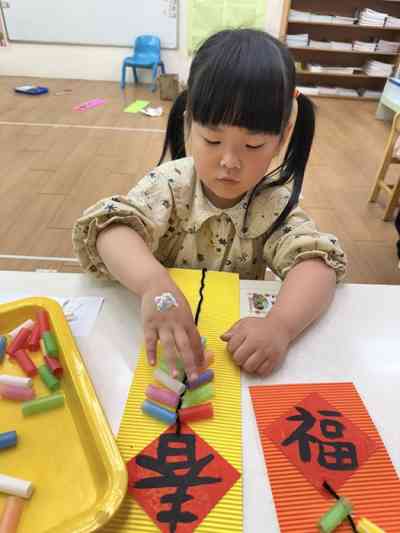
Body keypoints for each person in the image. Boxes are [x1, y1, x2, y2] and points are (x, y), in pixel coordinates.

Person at [72, 29, 346, 381]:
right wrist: (153, 284)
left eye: (253, 146)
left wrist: (280, 325)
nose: (229, 161)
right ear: (188, 123)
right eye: (213, 140)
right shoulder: (169, 185)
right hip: (157, 339)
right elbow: (110, 230)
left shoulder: (273, 203)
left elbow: (317, 265)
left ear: (283, 136)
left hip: (228, 352)